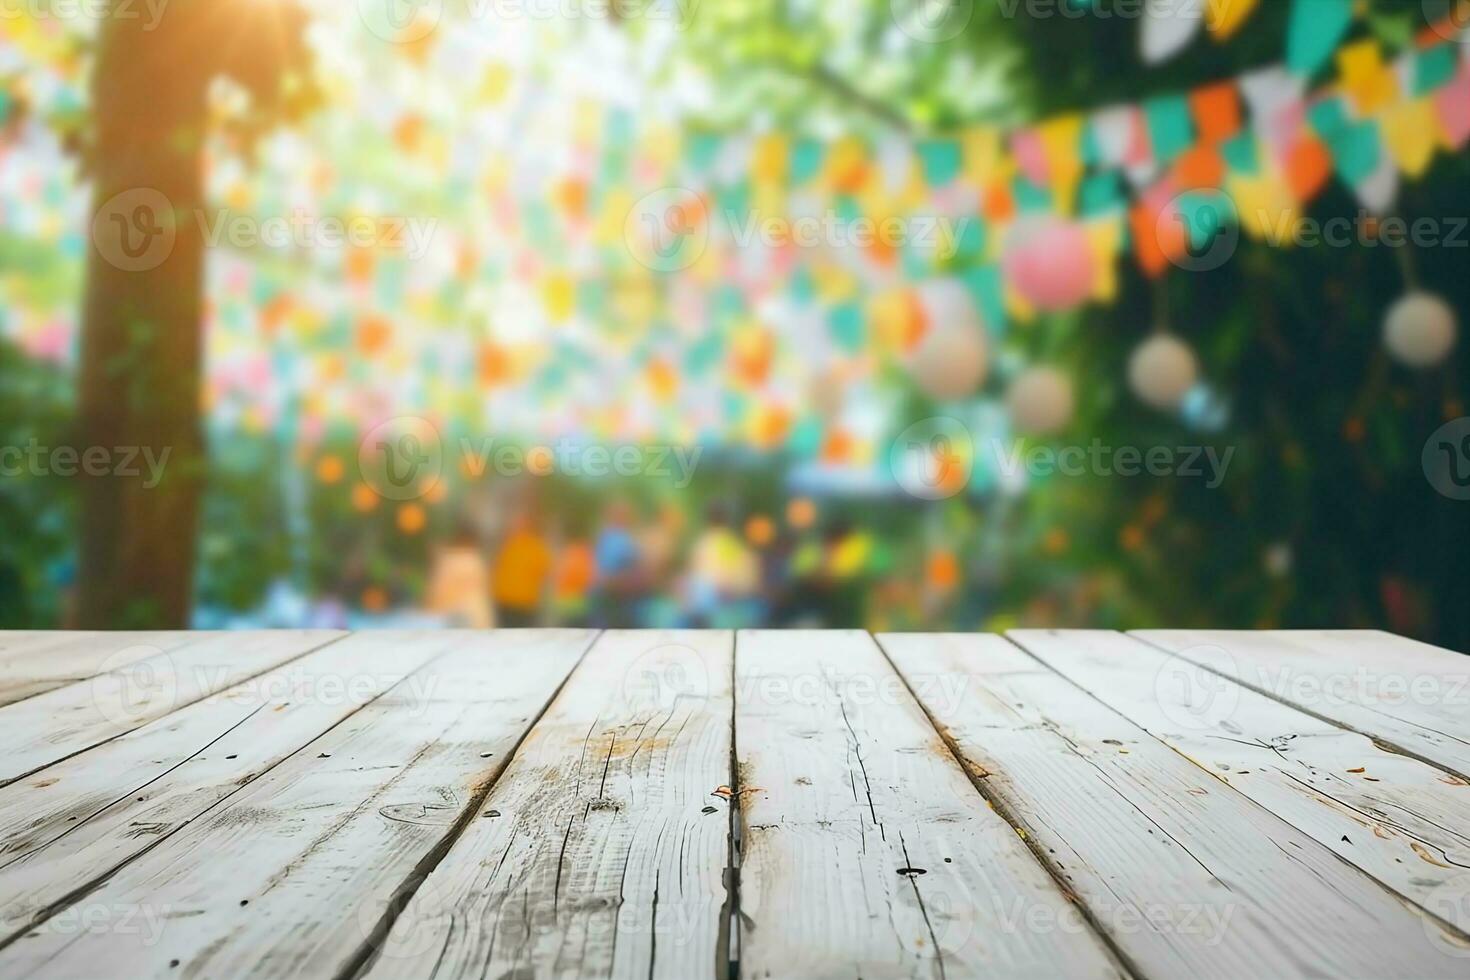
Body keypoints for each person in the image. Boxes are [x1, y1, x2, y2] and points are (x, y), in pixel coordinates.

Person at [425, 524, 494, 628]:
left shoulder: (451, 561)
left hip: (457, 617)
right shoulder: (476, 560)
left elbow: (438, 594)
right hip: (477, 614)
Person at [491, 511, 552, 627]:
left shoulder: (537, 547)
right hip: (505, 602)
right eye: (516, 523)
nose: (518, 526)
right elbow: (498, 567)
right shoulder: (508, 544)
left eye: (521, 523)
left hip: (526, 604)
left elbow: (545, 572)